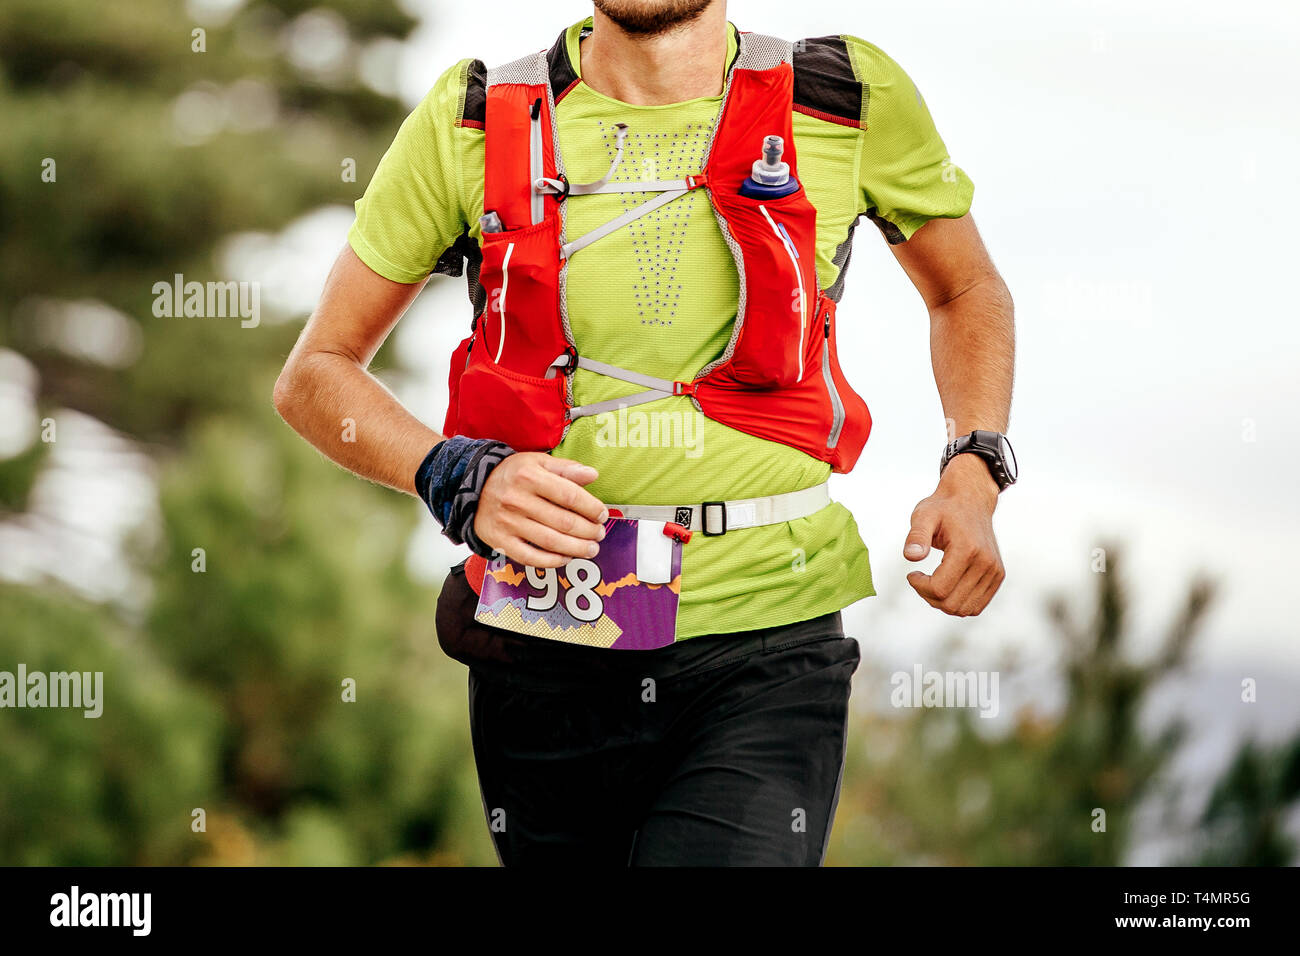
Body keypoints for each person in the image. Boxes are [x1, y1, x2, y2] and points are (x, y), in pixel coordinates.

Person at [274, 0, 1015, 866]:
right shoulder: (473, 118)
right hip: (546, 640)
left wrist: (974, 468)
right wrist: (456, 476)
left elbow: (966, 290)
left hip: (767, 641)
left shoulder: (844, 97)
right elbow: (315, 373)